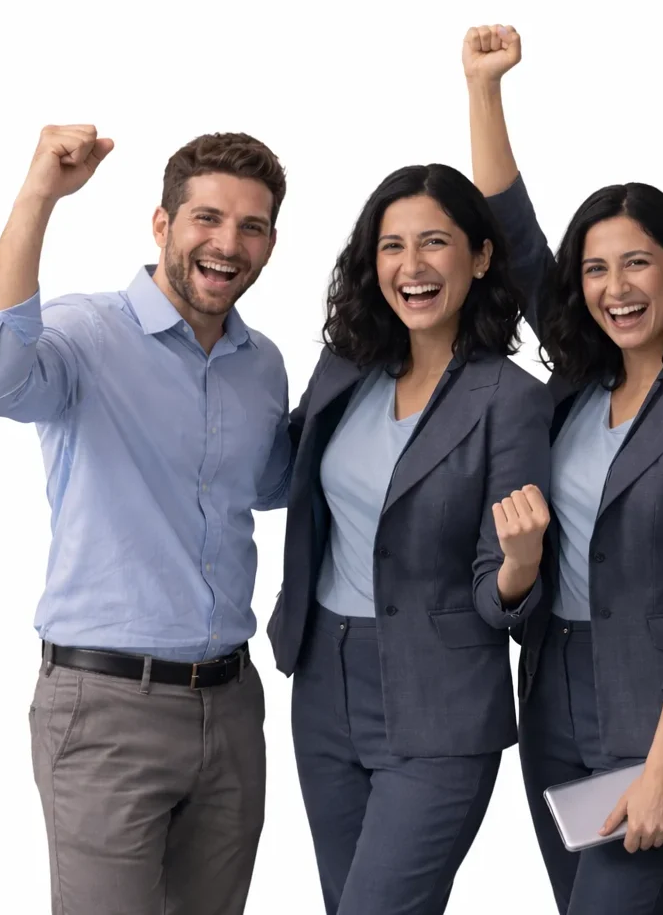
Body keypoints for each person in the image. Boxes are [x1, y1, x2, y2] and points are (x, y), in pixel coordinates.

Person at [0, 126, 294, 914]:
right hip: (107, 709)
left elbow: (271, 482)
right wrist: (39, 192)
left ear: (272, 242)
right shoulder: (86, 332)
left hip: (232, 705)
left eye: (252, 226)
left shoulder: (262, 363)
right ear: (162, 225)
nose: (227, 243)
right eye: (206, 218)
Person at [462, 24, 663, 914]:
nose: (615, 287)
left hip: (662, 714)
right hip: (555, 703)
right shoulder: (569, 387)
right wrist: (484, 90)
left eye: (637, 262)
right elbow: (511, 236)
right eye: (595, 269)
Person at [265, 162, 553, 915]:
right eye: (392, 246)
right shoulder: (346, 366)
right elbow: (287, 479)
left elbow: (504, 591)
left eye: (434, 243)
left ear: (480, 257)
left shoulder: (511, 400)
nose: (411, 266)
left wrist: (520, 566)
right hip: (324, 679)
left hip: (441, 699)